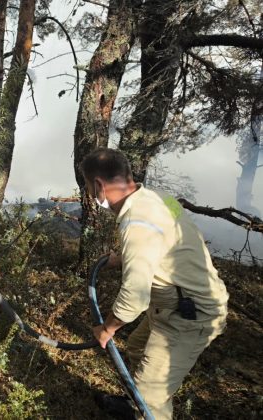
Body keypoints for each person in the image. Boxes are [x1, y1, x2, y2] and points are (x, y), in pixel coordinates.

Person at [81, 148, 228, 420]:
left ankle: (145, 406)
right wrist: (123, 258)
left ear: (99, 185)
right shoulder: (161, 198)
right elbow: (172, 235)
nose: (91, 195)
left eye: (90, 188)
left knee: (153, 398)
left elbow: (134, 298)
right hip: (177, 303)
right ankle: (134, 402)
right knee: (137, 347)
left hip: (189, 315)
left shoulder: (136, 221)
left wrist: (107, 329)